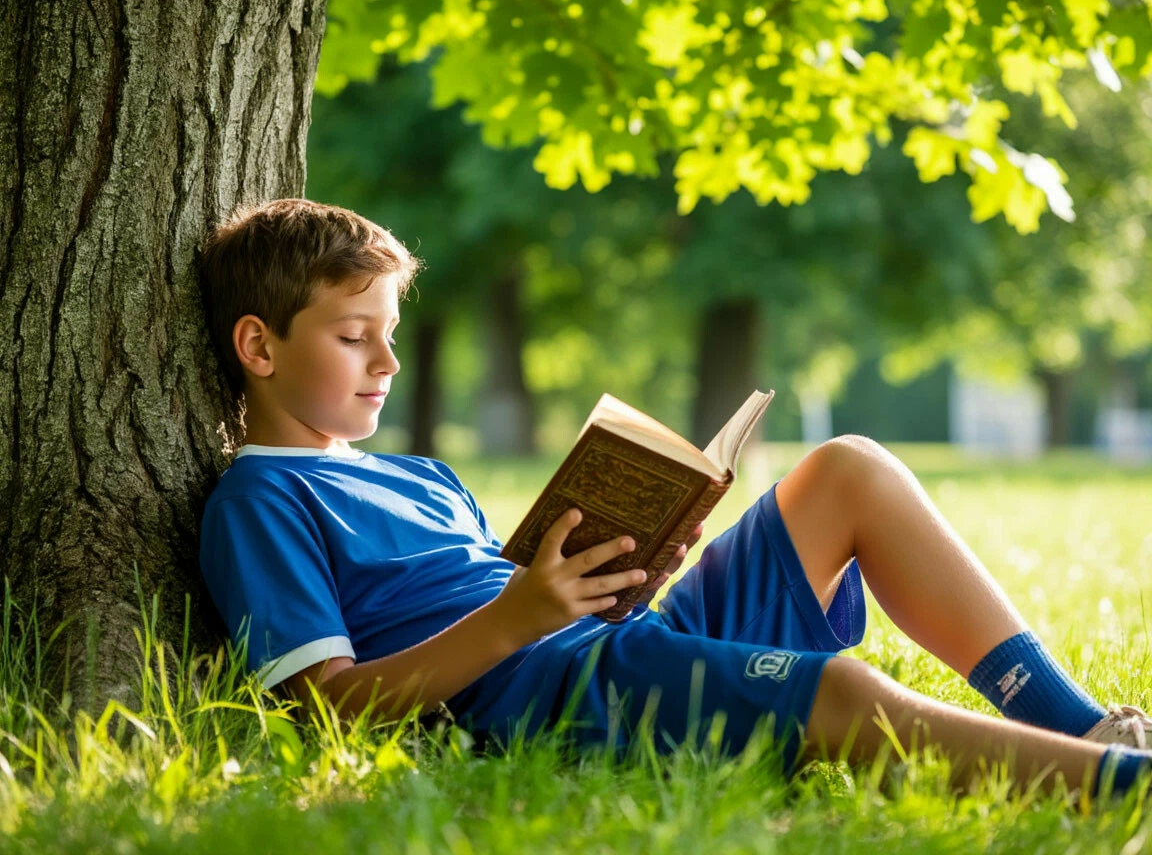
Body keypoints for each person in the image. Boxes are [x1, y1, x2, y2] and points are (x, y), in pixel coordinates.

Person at [197, 198, 1151, 799]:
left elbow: (532, 602)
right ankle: (1120, 789)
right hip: (560, 702)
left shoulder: (422, 476)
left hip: (605, 649)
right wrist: (519, 617)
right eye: (355, 336)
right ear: (261, 348)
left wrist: (626, 571)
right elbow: (317, 708)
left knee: (847, 471)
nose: (389, 361)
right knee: (841, 695)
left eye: (391, 333)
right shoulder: (261, 501)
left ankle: (1081, 725)